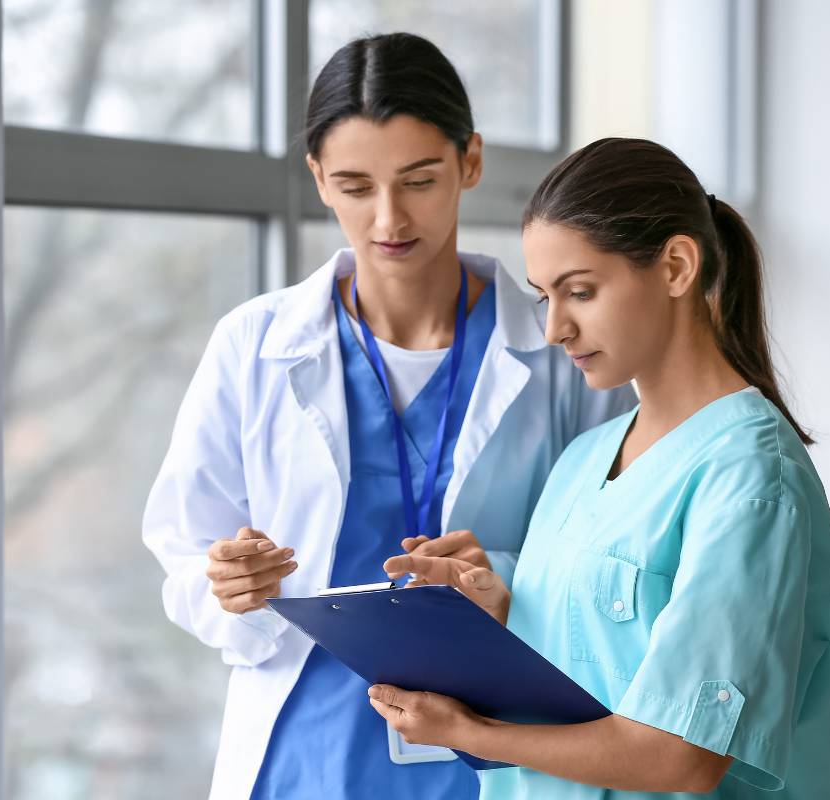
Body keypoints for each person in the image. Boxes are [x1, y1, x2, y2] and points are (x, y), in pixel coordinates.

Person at [141, 34, 636, 799]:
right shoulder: (254, 345)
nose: (388, 217)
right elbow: (184, 550)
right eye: (354, 185)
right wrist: (227, 586)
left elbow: (617, 561)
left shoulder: (559, 350)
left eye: (419, 179)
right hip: (307, 754)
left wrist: (503, 579)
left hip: (499, 750)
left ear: (470, 162)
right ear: (317, 179)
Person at [371, 137, 830, 799]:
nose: (556, 329)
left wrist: (469, 732)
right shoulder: (585, 457)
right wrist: (503, 603)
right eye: (544, 298)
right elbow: (591, 656)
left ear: (677, 266)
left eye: (581, 292)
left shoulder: (750, 479)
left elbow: (682, 756)